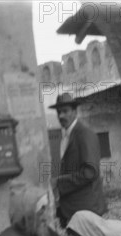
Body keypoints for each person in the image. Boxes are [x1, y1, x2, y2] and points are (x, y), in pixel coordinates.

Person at [49, 93, 107, 227]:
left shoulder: (84, 134)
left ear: (75, 112)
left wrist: (59, 182)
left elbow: (90, 172)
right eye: (58, 112)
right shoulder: (67, 136)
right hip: (73, 208)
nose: (61, 116)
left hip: (86, 209)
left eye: (65, 111)